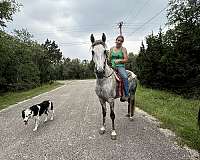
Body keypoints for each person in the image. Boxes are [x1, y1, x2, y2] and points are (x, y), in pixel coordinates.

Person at [108, 35, 129, 101]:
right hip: (112, 66)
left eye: (121, 41)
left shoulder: (123, 49)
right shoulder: (111, 49)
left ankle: (126, 95)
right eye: (118, 40)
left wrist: (119, 60)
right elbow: (109, 58)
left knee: (125, 77)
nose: (119, 42)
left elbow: (126, 60)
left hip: (120, 66)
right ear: (116, 40)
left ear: (122, 42)